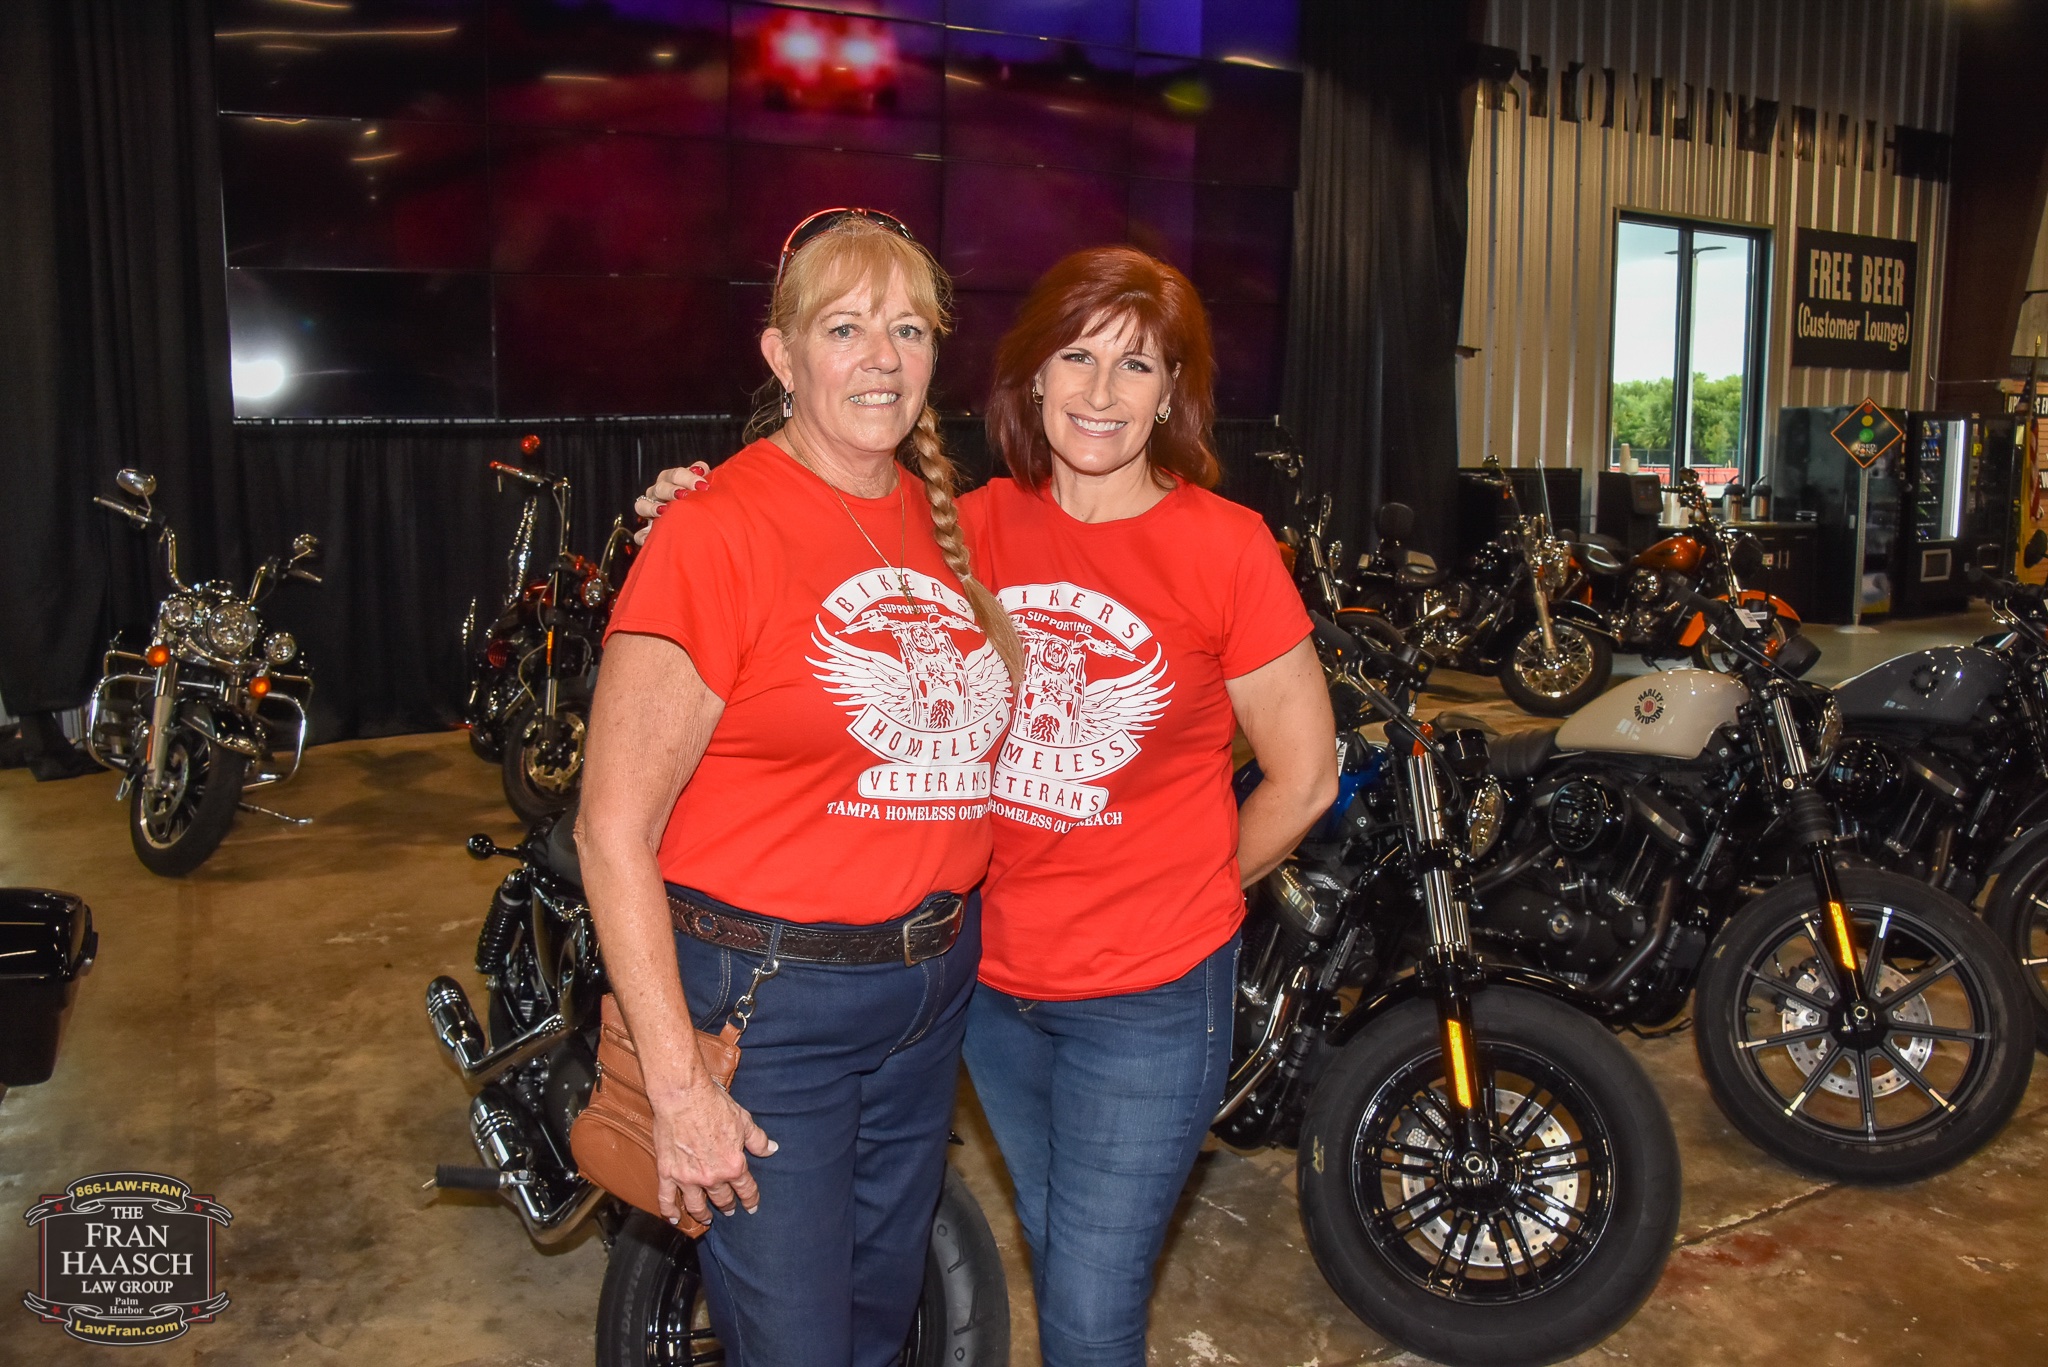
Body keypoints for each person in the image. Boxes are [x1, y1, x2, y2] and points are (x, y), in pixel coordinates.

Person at [640, 244, 1338, 1366]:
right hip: (983, 988)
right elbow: (817, 530)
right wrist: (688, 503)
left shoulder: (1225, 545)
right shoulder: (961, 527)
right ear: (1032, 374)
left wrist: (1189, 887)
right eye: (1077, 356)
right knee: (1054, 1236)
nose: (1101, 391)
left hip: (1146, 997)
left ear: (1172, 393)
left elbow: (1305, 776)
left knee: (1090, 1303)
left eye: (1137, 365)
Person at [575, 208, 1023, 1367]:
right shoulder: (713, 530)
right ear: (781, 355)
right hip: (770, 1008)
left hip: (928, 994)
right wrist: (679, 1087)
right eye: (844, 327)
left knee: (877, 1324)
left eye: (909, 330)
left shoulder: (945, 522)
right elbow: (610, 829)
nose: (882, 358)